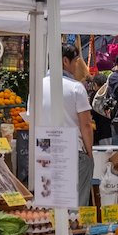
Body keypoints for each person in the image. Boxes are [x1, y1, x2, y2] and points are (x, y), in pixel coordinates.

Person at [42, 44, 95, 206]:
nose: (77, 66)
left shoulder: (37, 86)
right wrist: (89, 153)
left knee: (52, 202)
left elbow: (31, 120)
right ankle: (76, 232)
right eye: (76, 61)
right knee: (76, 207)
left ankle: (55, 231)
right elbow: (86, 125)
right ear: (65, 61)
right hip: (73, 151)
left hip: (45, 152)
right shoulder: (76, 88)